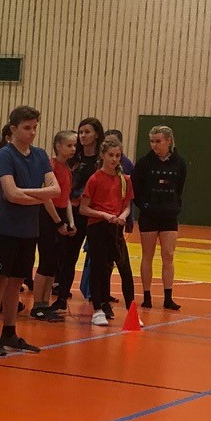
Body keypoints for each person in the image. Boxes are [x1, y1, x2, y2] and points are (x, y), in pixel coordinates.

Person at [0, 105, 60, 356]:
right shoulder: (5, 155)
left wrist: (25, 193)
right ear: (13, 128)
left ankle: (10, 332)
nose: (32, 132)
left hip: (29, 230)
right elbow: (10, 194)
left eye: (35, 127)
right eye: (27, 128)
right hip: (6, 229)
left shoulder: (40, 155)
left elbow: (55, 190)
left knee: (17, 282)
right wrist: (39, 195)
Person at [80, 138, 137, 326]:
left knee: (125, 269)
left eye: (118, 155)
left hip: (116, 228)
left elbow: (127, 205)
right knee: (99, 269)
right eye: (111, 155)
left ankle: (132, 311)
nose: (114, 159)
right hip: (98, 227)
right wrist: (104, 215)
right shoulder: (95, 179)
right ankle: (98, 309)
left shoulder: (124, 180)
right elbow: (84, 208)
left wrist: (122, 216)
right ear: (103, 155)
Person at [28, 129, 78, 323]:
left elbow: (66, 198)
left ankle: (45, 303)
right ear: (58, 146)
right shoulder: (51, 165)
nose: (73, 149)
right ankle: (37, 306)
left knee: (53, 263)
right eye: (69, 145)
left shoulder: (67, 168)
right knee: (45, 261)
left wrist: (70, 222)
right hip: (48, 216)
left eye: (74, 145)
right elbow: (46, 197)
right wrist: (57, 221)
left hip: (60, 216)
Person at [134, 126, 187, 309]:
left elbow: (179, 188)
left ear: (169, 141)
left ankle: (168, 297)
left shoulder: (179, 163)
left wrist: (174, 206)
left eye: (158, 141)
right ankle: (146, 295)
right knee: (147, 255)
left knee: (168, 255)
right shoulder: (144, 163)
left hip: (169, 216)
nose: (154, 145)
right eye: (152, 141)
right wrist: (145, 206)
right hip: (149, 216)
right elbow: (137, 189)